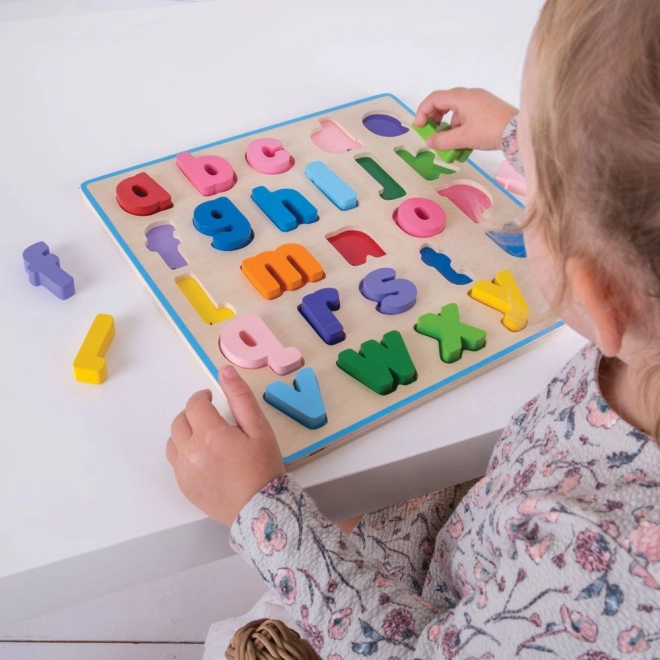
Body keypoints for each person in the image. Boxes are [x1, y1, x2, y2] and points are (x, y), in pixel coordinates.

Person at [165, 1, 660, 656]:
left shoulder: (606, 576)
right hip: (473, 538)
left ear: (603, 297)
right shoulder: (644, 324)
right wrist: (522, 135)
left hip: (421, 619)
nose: (520, 199)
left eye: (531, 199)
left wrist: (259, 513)